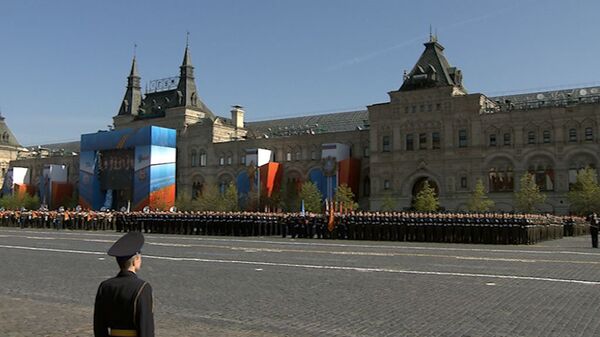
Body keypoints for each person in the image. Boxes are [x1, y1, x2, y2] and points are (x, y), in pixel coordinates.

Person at [94, 232, 154, 337]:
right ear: (135, 261)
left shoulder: (105, 286)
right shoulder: (142, 287)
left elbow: (99, 325)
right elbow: (145, 326)